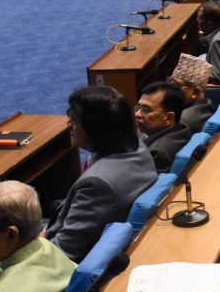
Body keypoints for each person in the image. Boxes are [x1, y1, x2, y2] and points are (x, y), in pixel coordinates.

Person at [46, 86, 157, 261]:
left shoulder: (97, 184)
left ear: (95, 130)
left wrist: (30, 243)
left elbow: (64, 252)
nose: (69, 125)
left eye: (74, 121)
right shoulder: (137, 147)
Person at [134, 81, 192, 173]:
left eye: (145, 109)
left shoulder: (158, 153)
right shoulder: (178, 128)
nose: (137, 114)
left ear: (168, 117)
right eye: (137, 107)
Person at [169, 53, 215, 132]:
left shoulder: (182, 122)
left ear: (195, 92)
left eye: (176, 85)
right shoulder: (205, 102)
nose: (169, 89)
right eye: (170, 82)